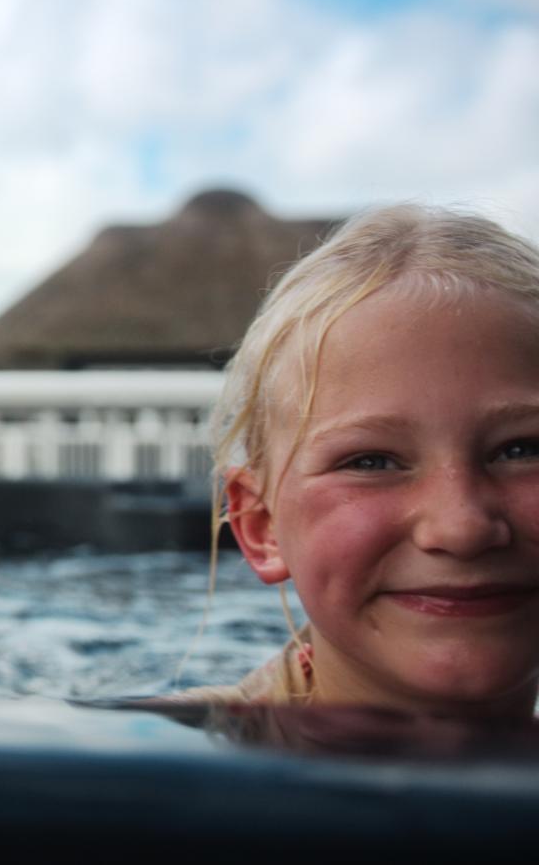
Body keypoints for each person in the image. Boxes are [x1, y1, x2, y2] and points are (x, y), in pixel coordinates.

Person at [190, 203, 539, 717]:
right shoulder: (128, 781)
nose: (461, 527)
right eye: (371, 462)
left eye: (522, 450)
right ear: (260, 525)